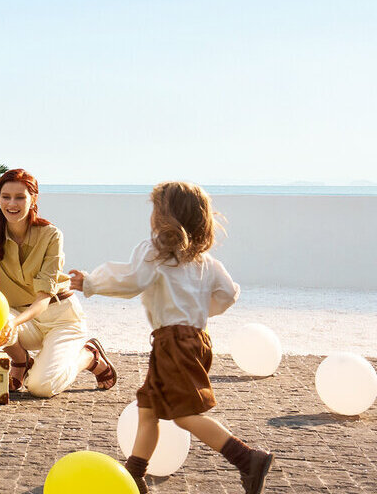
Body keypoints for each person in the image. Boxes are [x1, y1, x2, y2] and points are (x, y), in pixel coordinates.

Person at [68, 181, 274, 494]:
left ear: (165, 217)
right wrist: (198, 311)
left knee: (185, 415)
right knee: (148, 408)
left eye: (155, 210)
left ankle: (247, 459)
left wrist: (91, 282)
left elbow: (130, 280)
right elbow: (230, 294)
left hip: (172, 343)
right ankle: (135, 474)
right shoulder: (206, 262)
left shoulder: (154, 254)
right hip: (197, 339)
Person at [0, 168, 116, 397]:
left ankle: (89, 356)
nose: (12, 204)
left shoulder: (51, 235)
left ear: (33, 199)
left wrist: (13, 324)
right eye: (6, 197)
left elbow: (43, 300)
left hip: (60, 318)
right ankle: (21, 362)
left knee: (41, 388)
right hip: (22, 319)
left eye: (20, 197)